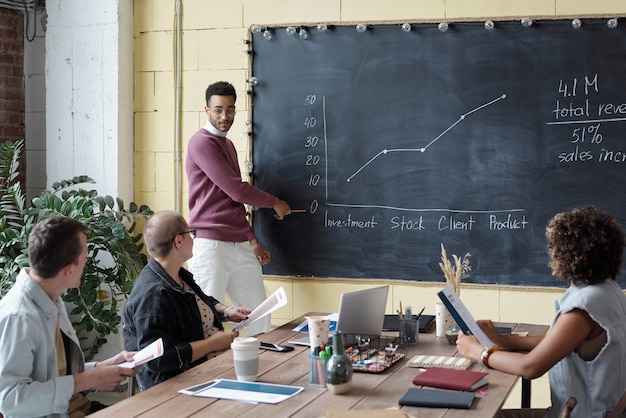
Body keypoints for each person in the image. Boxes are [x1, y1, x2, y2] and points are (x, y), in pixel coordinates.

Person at [457, 206, 626, 418]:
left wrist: (478, 352)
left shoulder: (584, 307)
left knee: (480, 413)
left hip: (577, 414)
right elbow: (555, 342)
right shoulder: (608, 291)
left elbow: (530, 367)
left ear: (566, 254)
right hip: (591, 411)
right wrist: (501, 339)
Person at [0, 216, 137, 418]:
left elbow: (56, 375)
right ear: (69, 270)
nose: (87, 263)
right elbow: (10, 401)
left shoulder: (51, 297)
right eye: (85, 258)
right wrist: (87, 380)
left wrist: (102, 367)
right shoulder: (18, 317)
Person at [185, 80, 291, 337]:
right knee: (205, 322)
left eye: (230, 109)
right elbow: (236, 190)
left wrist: (251, 238)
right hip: (211, 246)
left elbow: (231, 201)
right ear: (206, 110)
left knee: (259, 316)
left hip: (238, 244)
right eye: (218, 110)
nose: (225, 116)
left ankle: (257, 374)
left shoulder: (228, 145)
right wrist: (274, 201)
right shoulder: (201, 143)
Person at [122, 210, 252, 391]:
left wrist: (226, 311)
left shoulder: (178, 275)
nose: (193, 238)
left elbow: (200, 302)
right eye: (191, 233)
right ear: (178, 241)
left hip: (207, 369)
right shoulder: (153, 295)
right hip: (178, 385)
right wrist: (213, 344)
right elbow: (157, 359)